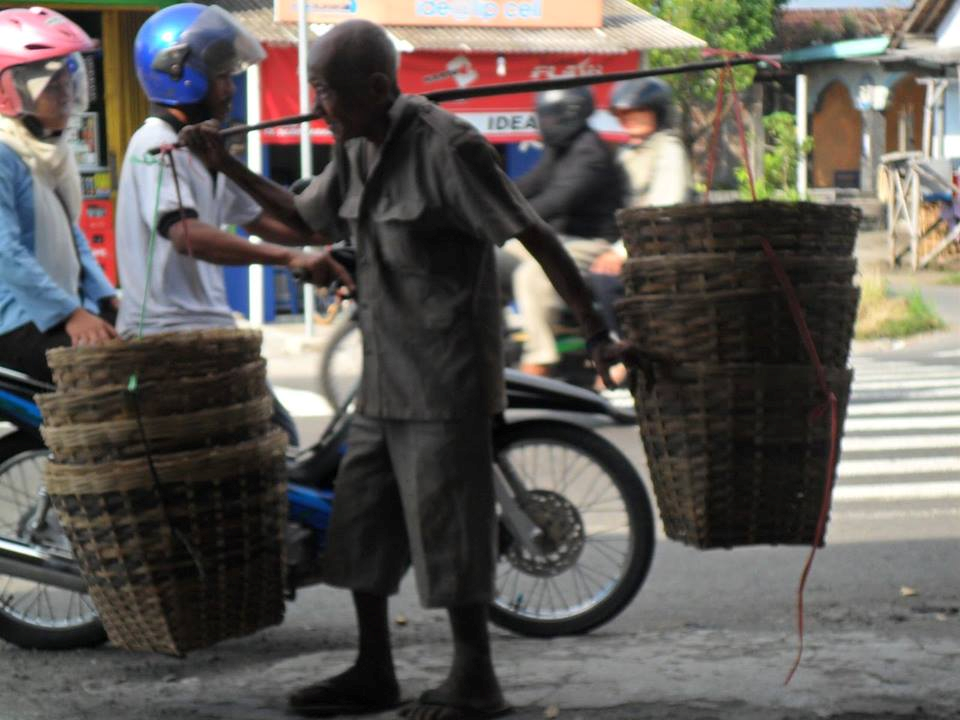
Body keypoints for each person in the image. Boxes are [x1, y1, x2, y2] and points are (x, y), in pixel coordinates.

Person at [178, 19, 629, 720]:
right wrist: (225, 166)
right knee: (361, 525)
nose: (318, 103)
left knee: (451, 529)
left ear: (378, 88)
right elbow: (306, 219)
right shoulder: (357, 147)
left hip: (446, 378)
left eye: (327, 90)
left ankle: (476, 679)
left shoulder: (451, 149)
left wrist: (598, 331)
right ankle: (373, 670)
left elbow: (533, 235)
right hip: (385, 377)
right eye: (315, 90)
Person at [116, 3, 341, 340]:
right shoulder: (156, 143)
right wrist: (290, 258)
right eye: (221, 76)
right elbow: (186, 235)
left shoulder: (207, 152)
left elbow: (270, 223)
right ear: (180, 73)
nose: (231, 89)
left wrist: (332, 230)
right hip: (165, 333)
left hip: (207, 326)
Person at [0, 7, 118, 385]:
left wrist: (105, 296)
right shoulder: (5, 153)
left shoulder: (47, 152)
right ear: (11, 91)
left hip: (51, 313)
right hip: (18, 322)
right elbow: (5, 251)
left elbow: (71, 233)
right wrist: (68, 314)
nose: (66, 94)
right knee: (116, 377)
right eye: (52, 86)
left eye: (70, 82)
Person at [505, 87, 626, 378]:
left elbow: (556, 201)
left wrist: (502, 219)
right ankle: (504, 331)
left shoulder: (589, 153)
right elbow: (529, 186)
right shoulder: (561, 148)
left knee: (531, 275)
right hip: (563, 239)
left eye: (549, 118)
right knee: (490, 255)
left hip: (593, 243)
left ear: (569, 116)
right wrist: (487, 198)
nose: (544, 125)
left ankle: (540, 357)